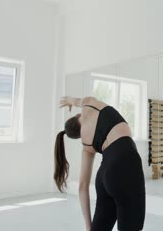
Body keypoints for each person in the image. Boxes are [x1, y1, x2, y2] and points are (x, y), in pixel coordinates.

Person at [55, 96, 145, 231]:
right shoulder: (90, 105)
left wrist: (88, 226)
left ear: (78, 135)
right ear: (78, 115)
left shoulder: (86, 146)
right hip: (126, 164)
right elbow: (78, 101)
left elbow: (82, 186)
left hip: (104, 177)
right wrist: (70, 101)